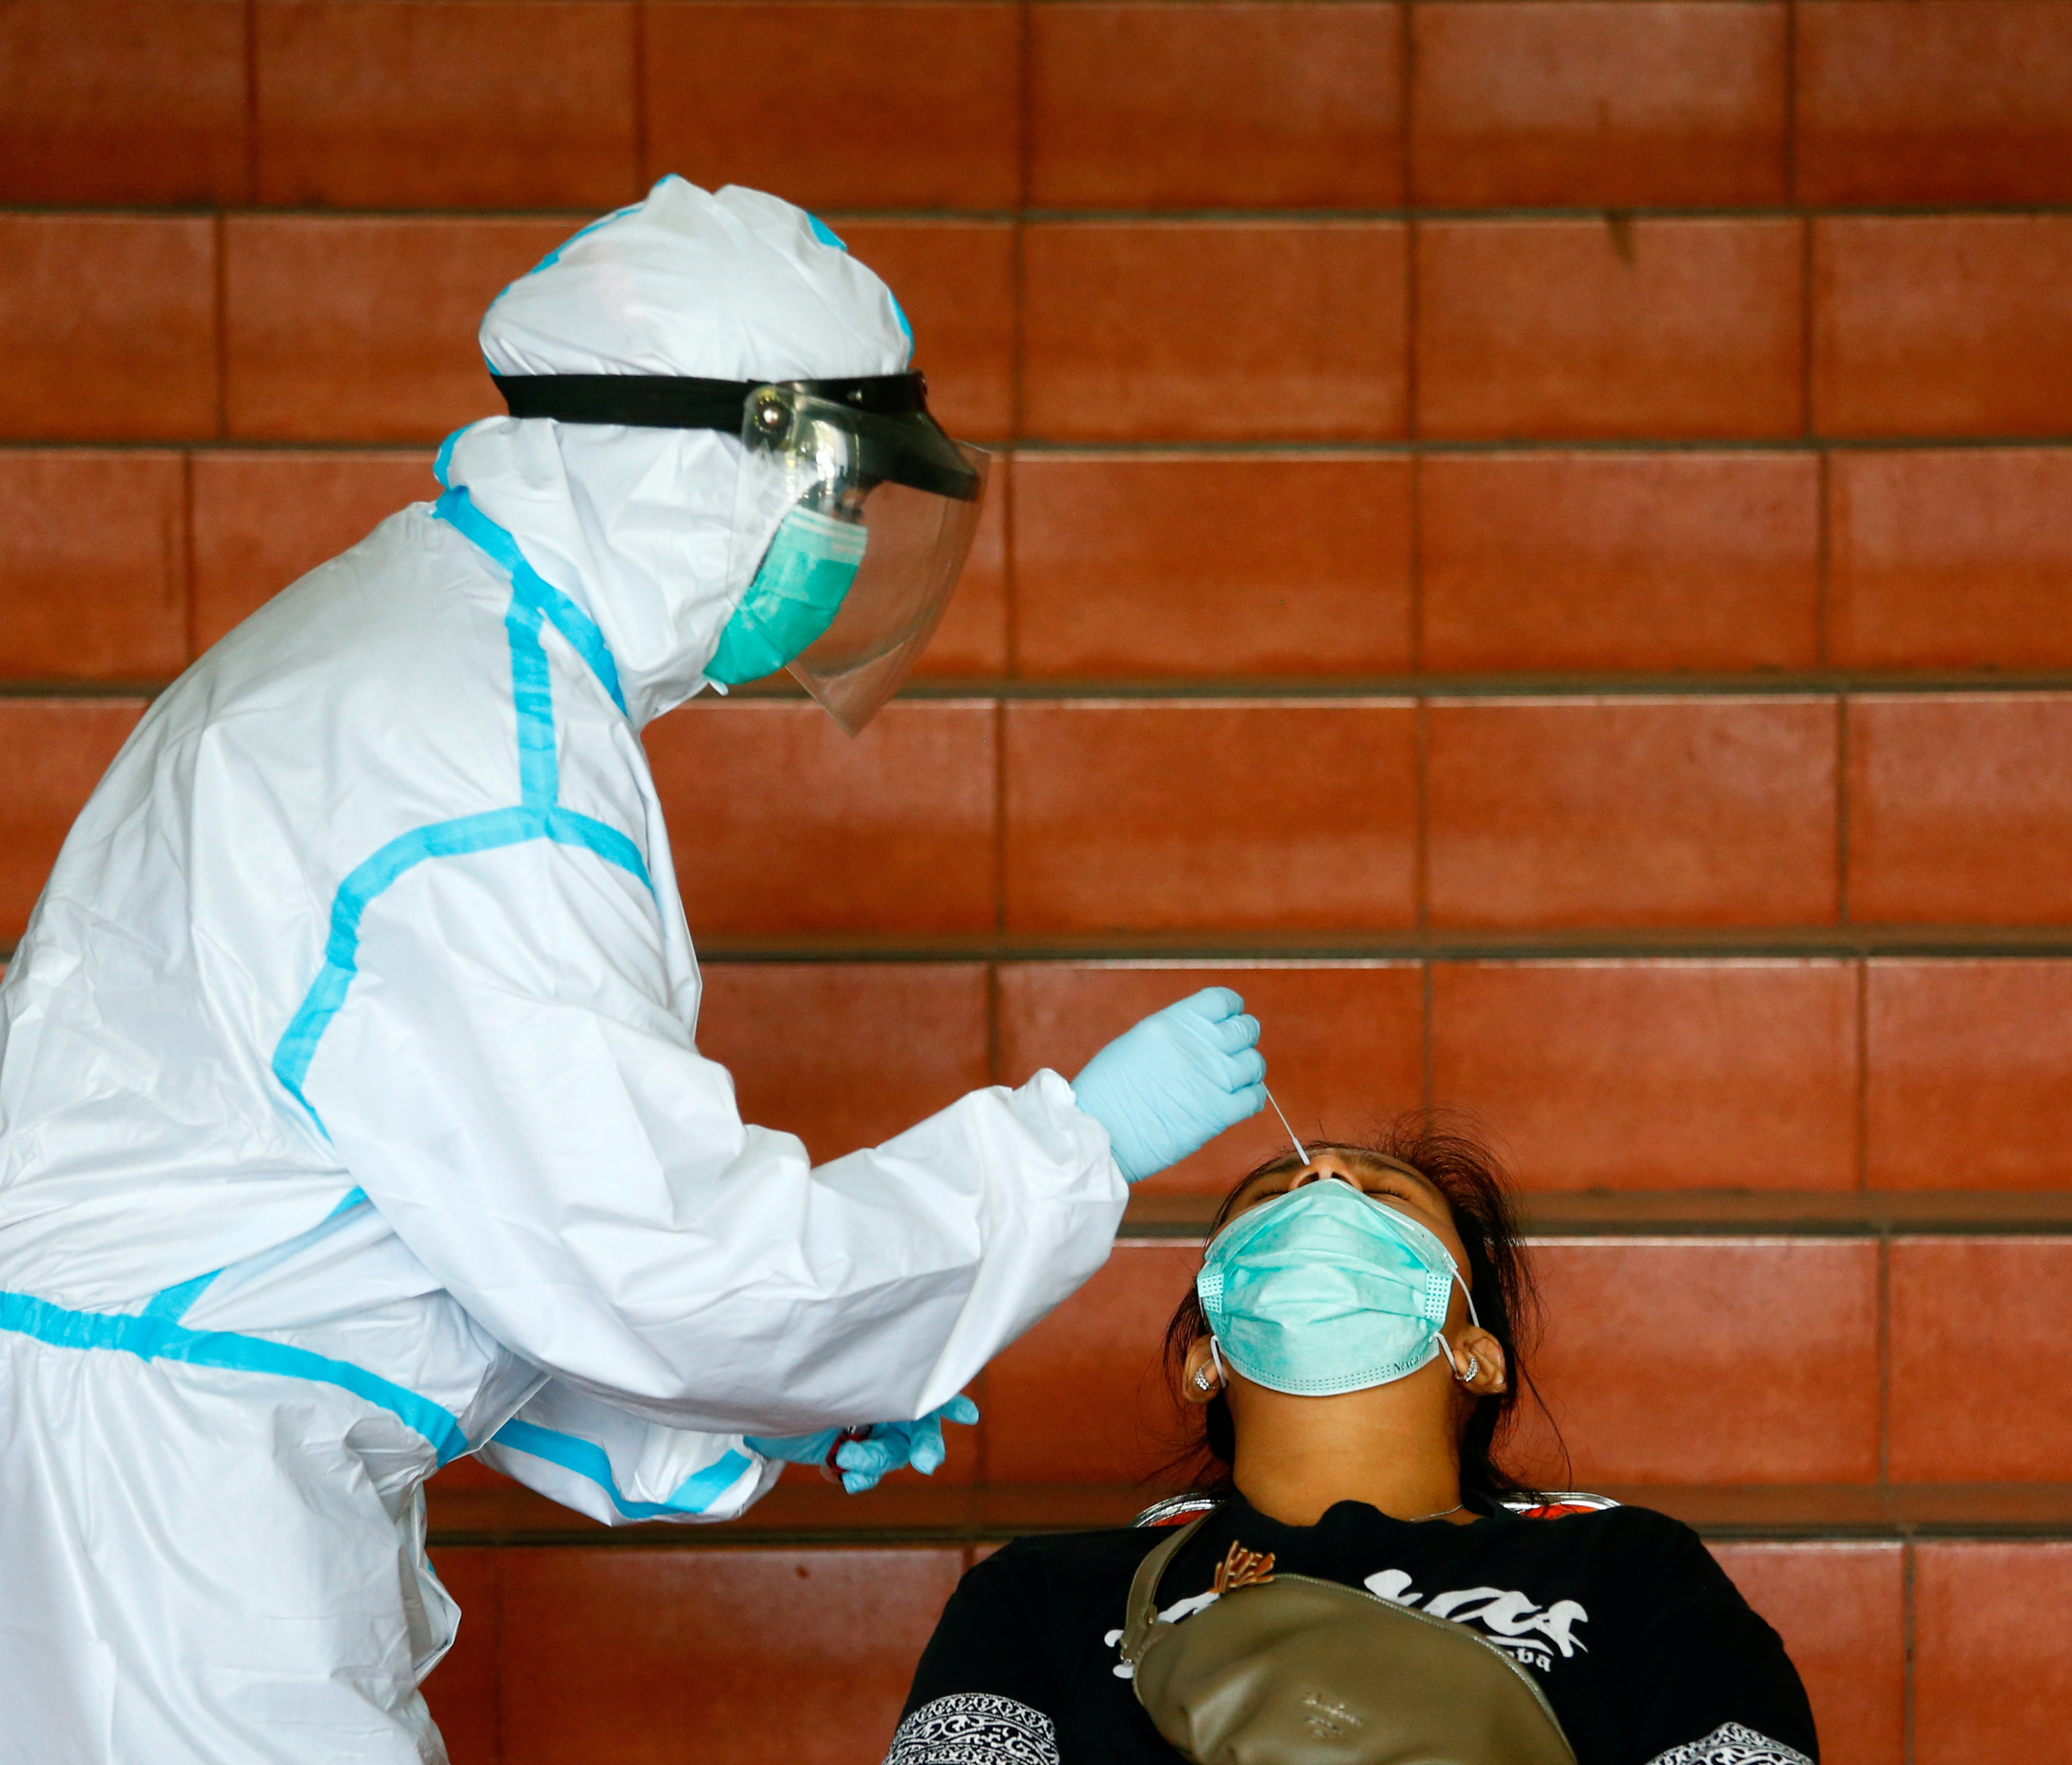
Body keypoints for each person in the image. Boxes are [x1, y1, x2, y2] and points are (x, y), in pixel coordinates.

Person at [0, 176, 1268, 1764]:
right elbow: (658, 1263)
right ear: (715, 471)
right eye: (841, 500)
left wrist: (766, 1413)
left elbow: (441, 1214)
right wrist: (1067, 1149)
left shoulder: (428, 644)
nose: (846, 551)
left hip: (152, 1461)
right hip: (159, 1518)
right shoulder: (470, 759)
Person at [889, 1127, 1820, 1765]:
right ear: (1204, 1358)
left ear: (1477, 1352)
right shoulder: (1040, 1592)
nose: (1321, 1177)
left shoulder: (1631, 1566)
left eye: (1386, 1197)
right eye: (1272, 1196)